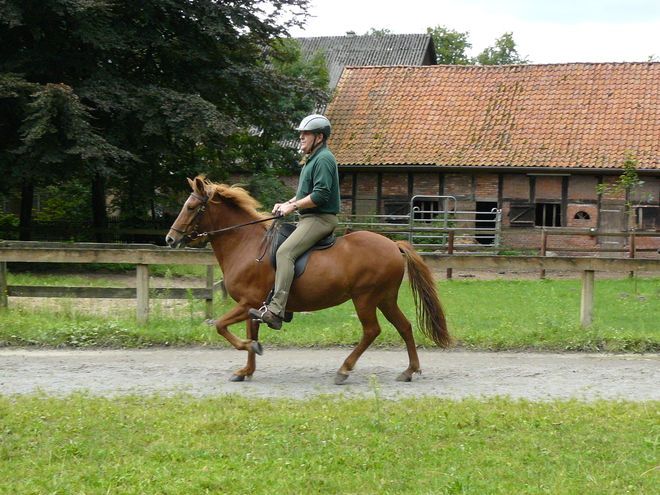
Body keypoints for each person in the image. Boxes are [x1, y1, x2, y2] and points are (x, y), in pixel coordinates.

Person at [249, 114, 340, 329]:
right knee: (277, 243)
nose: (301, 137)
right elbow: (303, 193)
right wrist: (286, 203)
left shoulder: (324, 159)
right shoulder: (312, 159)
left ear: (319, 137)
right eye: (301, 133)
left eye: (306, 133)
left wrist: (293, 207)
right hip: (309, 217)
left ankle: (277, 310)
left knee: (285, 253)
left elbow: (320, 195)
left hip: (320, 219)